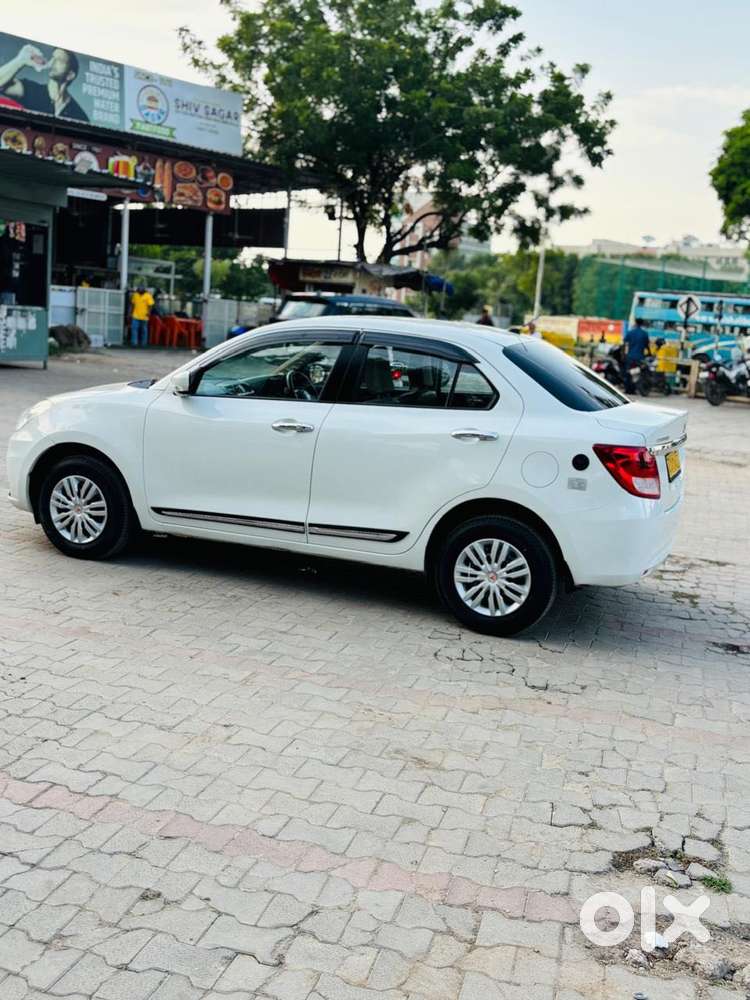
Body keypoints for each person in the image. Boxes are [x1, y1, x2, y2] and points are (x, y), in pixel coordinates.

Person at [0, 43, 89, 123]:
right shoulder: (32, 90)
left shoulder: (79, 115)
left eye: (60, 60)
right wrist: (21, 61)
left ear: (70, 75)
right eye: (53, 57)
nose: (53, 62)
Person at [622, 318, 651, 392]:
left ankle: (628, 389)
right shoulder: (644, 333)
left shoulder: (630, 332)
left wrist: (623, 354)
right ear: (642, 324)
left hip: (630, 356)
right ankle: (636, 388)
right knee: (640, 373)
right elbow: (647, 345)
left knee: (628, 372)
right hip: (640, 357)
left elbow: (624, 343)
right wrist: (649, 353)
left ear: (635, 323)